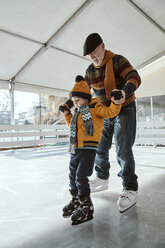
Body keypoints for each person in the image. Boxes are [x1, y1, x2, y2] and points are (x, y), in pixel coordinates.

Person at [61, 33, 141, 213]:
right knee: (99, 146)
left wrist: (124, 91)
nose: (93, 57)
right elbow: (81, 92)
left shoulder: (117, 61)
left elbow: (134, 76)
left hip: (125, 107)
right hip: (104, 112)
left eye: (95, 52)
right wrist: (67, 104)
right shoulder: (89, 71)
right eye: (90, 55)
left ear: (103, 46)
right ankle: (102, 178)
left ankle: (130, 187)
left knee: (122, 147)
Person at [60, 75, 121, 225]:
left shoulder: (95, 107)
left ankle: (87, 206)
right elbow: (74, 127)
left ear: (86, 97)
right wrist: (68, 115)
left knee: (81, 177)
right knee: (72, 175)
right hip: (75, 148)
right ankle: (76, 200)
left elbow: (109, 113)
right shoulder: (79, 111)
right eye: (73, 102)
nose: (75, 104)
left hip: (88, 148)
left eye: (77, 101)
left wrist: (115, 102)